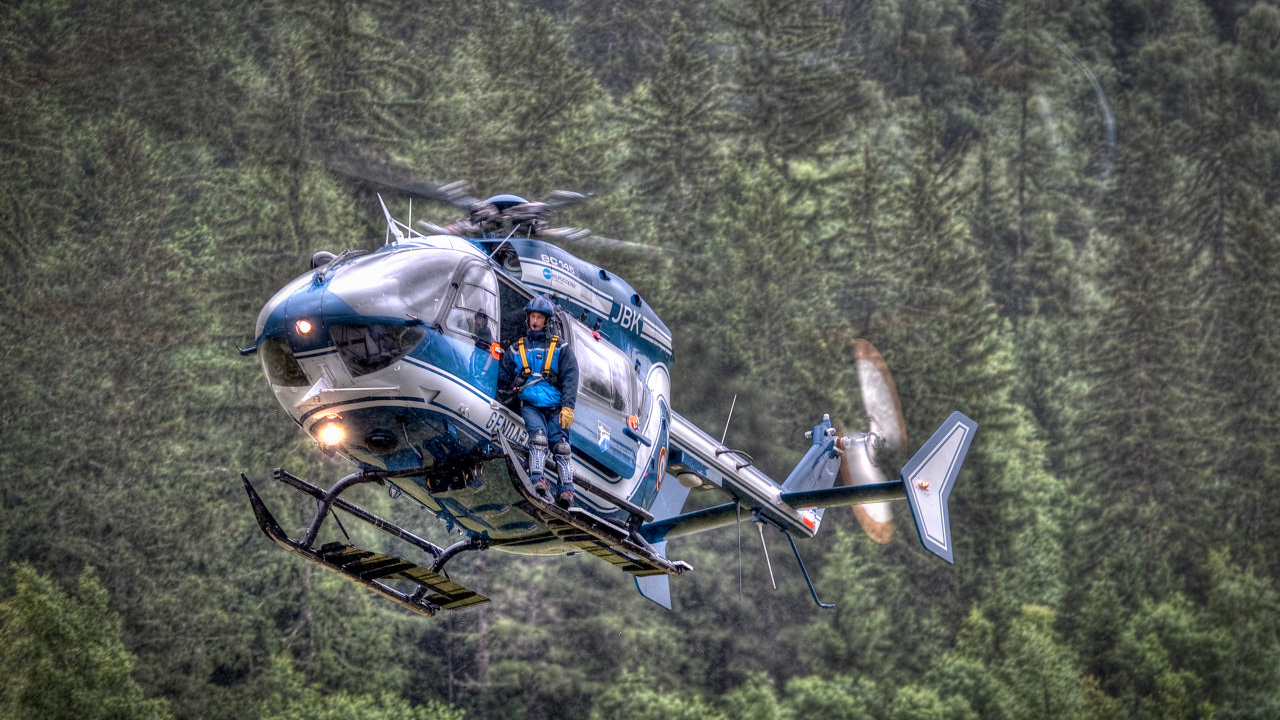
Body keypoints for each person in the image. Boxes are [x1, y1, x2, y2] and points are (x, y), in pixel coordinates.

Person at [499, 295, 579, 508]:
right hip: (531, 406)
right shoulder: (516, 349)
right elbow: (503, 375)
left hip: (555, 408)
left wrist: (568, 406)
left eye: (539, 318)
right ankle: (538, 481)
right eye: (533, 316)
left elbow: (571, 377)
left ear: (547, 321)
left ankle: (567, 491)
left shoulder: (561, 349)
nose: (535, 321)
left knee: (561, 447)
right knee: (538, 440)